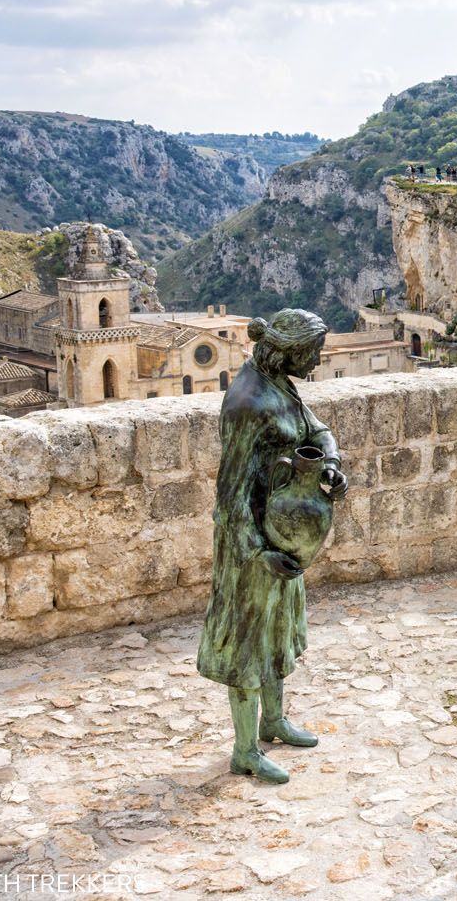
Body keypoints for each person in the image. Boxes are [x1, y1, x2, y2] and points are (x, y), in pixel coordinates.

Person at [197, 309, 348, 784]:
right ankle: (244, 750)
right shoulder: (249, 402)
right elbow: (230, 496)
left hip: (280, 532)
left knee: (278, 630)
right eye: (314, 353)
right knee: (247, 643)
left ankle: (274, 721)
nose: (318, 361)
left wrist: (331, 462)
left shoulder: (280, 383)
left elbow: (317, 429)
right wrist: (258, 551)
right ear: (288, 350)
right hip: (252, 547)